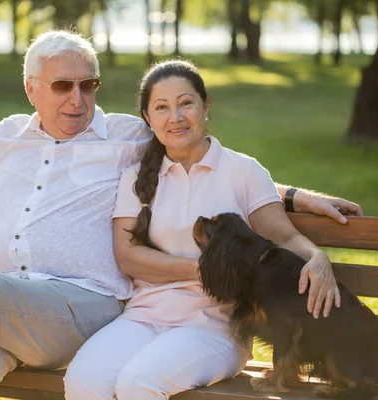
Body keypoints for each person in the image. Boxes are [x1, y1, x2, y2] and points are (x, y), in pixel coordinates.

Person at [0, 32, 362, 399]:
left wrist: (300, 197)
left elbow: (201, 155)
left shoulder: (124, 136)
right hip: (9, 312)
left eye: (88, 85)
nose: (78, 98)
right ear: (32, 90)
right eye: (63, 86)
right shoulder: (7, 138)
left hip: (80, 306)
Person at [63, 59, 355, 399]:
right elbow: (128, 258)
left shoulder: (243, 170)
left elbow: (284, 237)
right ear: (148, 118)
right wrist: (210, 270)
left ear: (206, 105)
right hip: (144, 316)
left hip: (215, 327)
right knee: (84, 383)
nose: (176, 117)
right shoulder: (136, 177)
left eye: (186, 103)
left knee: (138, 384)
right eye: (162, 107)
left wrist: (317, 257)